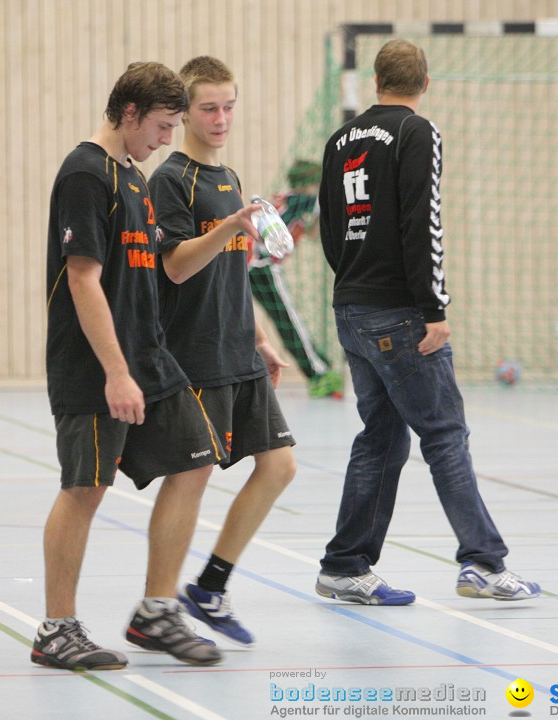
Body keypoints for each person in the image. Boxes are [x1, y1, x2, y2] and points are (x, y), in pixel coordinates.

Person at [315, 39, 540, 604]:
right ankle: (484, 563)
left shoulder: (340, 139)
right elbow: (424, 222)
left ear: (375, 81)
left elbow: (330, 225)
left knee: (382, 439)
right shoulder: (418, 132)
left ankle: (344, 565)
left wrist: (355, 284)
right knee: (444, 435)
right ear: (425, 82)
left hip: (351, 305)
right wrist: (433, 308)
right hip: (399, 313)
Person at [34, 61, 231, 671]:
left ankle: (155, 611)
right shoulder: (86, 174)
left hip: (152, 357)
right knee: (85, 488)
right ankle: (56, 629)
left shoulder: (135, 178)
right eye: (163, 125)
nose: (169, 137)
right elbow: (83, 279)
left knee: (196, 460)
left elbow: (152, 276)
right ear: (128, 114)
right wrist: (116, 372)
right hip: (94, 364)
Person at [149, 56, 296, 647]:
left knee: (280, 466)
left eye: (229, 105)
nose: (221, 117)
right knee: (193, 473)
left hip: (239, 348)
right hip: (197, 353)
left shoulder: (229, 177)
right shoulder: (171, 179)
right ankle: (157, 606)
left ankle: (209, 586)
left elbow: (233, 273)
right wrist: (229, 228)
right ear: (186, 111)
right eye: (209, 107)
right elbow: (177, 266)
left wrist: (261, 338)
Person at [249, 159, 344, 399]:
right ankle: (319, 373)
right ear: (311, 184)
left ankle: (317, 367)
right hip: (262, 265)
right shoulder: (306, 200)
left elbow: (311, 232)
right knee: (290, 321)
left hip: (248, 264)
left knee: (285, 321)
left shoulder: (286, 198)